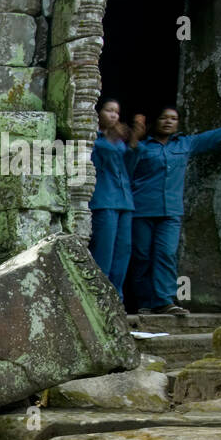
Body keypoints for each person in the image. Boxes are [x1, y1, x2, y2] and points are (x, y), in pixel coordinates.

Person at [126, 107, 221, 315]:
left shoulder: (185, 143)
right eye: (163, 118)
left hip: (171, 212)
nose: (168, 122)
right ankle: (144, 302)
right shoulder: (141, 146)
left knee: (166, 253)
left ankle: (164, 301)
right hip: (142, 209)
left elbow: (219, 136)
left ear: (178, 123)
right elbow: (125, 169)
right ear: (154, 122)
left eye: (173, 119)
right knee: (142, 256)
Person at [88, 98, 144, 298]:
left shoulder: (118, 141)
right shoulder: (93, 138)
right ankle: (98, 298)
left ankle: (116, 298)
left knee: (123, 252)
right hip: (103, 200)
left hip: (124, 201)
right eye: (109, 110)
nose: (113, 115)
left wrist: (134, 142)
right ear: (98, 112)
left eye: (117, 112)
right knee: (104, 251)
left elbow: (129, 168)